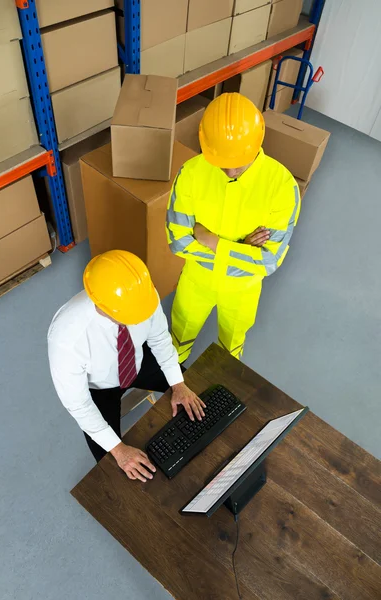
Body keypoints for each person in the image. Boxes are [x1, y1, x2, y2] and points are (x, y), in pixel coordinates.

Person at [48, 250, 205, 482]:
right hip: (98, 388)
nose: (141, 316)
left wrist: (178, 384)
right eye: (132, 316)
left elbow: (160, 338)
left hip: (138, 360)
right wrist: (119, 450)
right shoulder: (67, 338)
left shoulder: (140, 296)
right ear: (104, 306)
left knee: (199, 395)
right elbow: (79, 405)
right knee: (114, 469)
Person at [166, 93, 300, 363]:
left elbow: (269, 261)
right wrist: (243, 250)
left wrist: (210, 240)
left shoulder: (282, 187)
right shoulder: (190, 173)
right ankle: (172, 378)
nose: (230, 171)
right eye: (222, 162)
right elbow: (178, 241)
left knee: (232, 346)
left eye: (239, 162)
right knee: (178, 336)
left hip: (241, 290)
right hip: (198, 283)